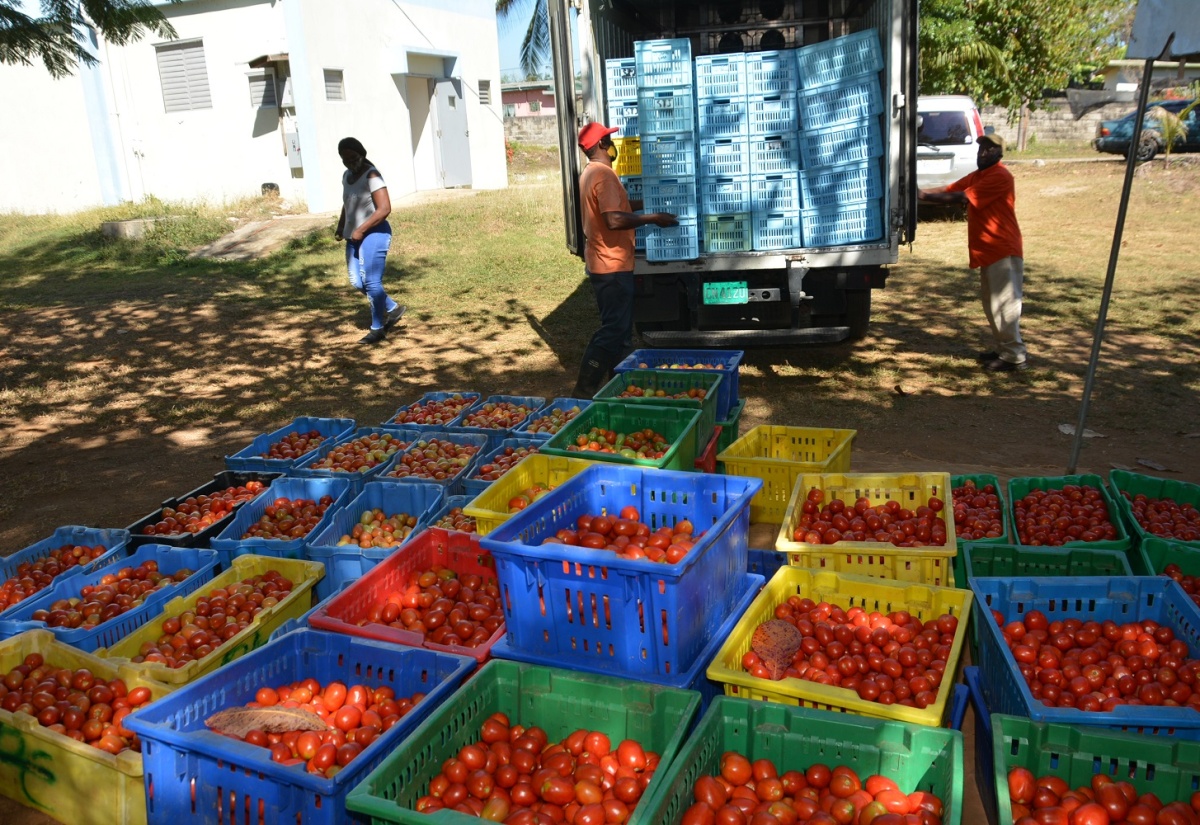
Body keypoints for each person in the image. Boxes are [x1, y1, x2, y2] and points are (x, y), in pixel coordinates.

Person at [572, 122, 679, 397]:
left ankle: (621, 390)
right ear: (600, 146)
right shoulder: (604, 175)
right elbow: (614, 219)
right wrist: (654, 219)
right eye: (608, 139)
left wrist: (651, 202)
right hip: (611, 265)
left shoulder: (592, 173)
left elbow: (618, 207)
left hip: (608, 262)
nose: (613, 144)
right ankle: (583, 392)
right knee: (612, 332)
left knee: (621, 335)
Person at [918, 133, 1028, 372]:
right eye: (981, 148)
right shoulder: (980, 175)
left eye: (989, 149)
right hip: (989, 249)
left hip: (1002, 248)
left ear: (1000, 154)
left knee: (1005, 304)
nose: (983, 153)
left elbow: (962, 196)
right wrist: (918, 192)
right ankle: (1002, 349)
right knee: (992, 304)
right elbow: (948, 187)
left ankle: (1014, 356)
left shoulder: (1000, 175)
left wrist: (923, 196)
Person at [335, 137, 405, 345]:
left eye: (353, 157)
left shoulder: (372, 175)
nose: (350, 162)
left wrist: (361, 230)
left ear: (362, 153)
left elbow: (384, 209)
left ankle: (377, 328)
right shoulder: (346, 176)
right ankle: (392, 308)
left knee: (371, 281)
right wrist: (341, 226)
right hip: (353, 234)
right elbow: (347, 203)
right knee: (357, 281)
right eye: (345, 159)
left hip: (374, 233)